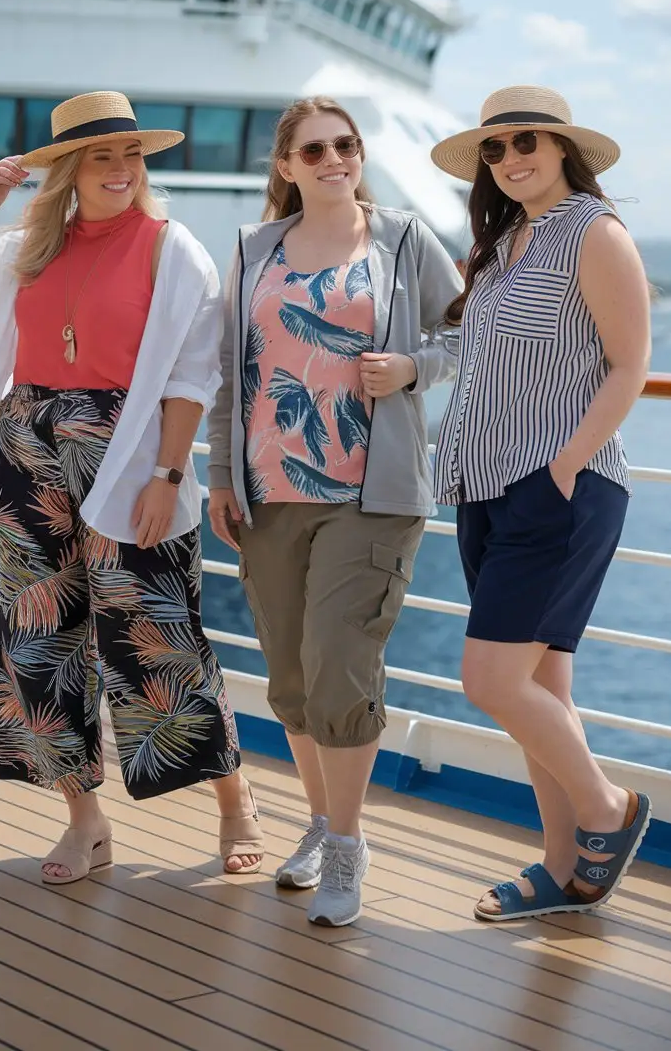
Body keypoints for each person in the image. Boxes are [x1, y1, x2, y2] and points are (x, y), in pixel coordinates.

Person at [0, 91, 263, 885]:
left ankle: (235, 801)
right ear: (68, 170)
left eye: (130, 154)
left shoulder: (171, 247)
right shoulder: (28, 245)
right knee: (33, 639)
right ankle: (85, 820)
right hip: (23, 445)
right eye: (101, 156)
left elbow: (193, 374)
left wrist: (168, 474)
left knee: (156, 634)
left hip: (130, 449)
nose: (121, 170)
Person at [207, 95, 463, 927]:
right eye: (312, 150)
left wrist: (414, 370)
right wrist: (219, 475)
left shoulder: (402, 239)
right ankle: (319, 823)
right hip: (267, 496)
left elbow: (469, 333)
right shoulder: (254, 250)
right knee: (290, 679)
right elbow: (231, 375)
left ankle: (349, 847)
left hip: (371, 497)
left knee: (342, 668)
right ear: (285, 166)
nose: (332, 160)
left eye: (344, 145)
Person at [431, 84, 652, 922]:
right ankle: (562, 872)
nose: (513, 157)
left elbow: (631, 363)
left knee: (488, 679)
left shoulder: (595, 233)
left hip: (558, 488)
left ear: (564, 148)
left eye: (529, 140)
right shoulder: (499, 246)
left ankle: (608, 810)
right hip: (484, 488)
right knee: (543, 694)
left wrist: (561, 465)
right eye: (496, 148)